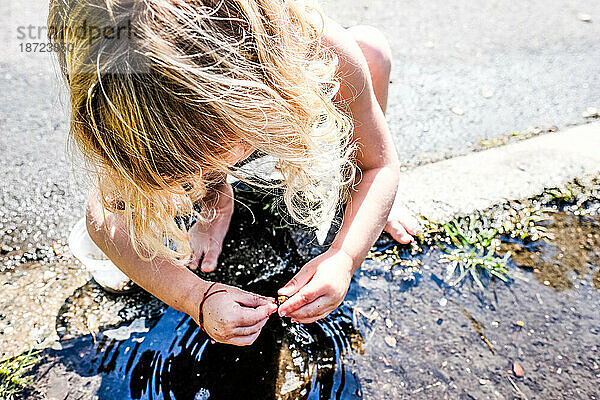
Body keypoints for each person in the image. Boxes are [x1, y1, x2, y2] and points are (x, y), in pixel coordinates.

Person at [49, 0, 418, 346]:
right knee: (189, 163)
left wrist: (345, 256)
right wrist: (196, 297)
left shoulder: (319, 50)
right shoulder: (131, 109)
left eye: (211, 156)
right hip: (226, 106)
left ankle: (359, 191)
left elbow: (381, 166)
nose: (204, 167)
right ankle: (215, 201)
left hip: (283, 91)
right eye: (189, 169)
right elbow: (102, 219)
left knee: (372, 50)